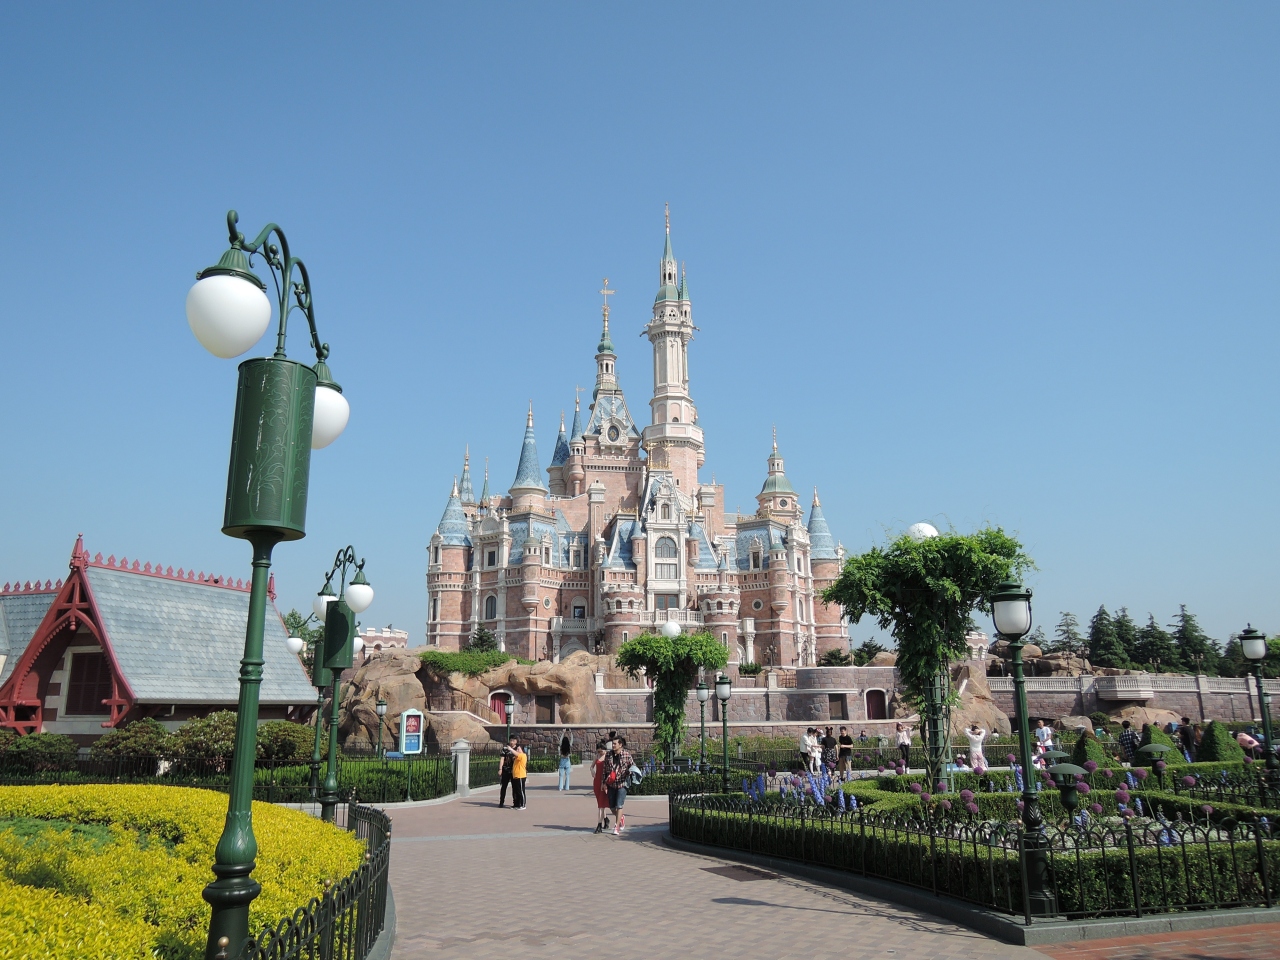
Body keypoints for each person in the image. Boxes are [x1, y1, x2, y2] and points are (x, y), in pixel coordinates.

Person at [603, 736, 635, 835]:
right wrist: (603, 783)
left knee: (619, 805)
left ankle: (616, 827)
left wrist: (629, 772)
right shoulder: (608, 755)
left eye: (614, 744)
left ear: (620, 745)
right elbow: (604, 769)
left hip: (622, 783)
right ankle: (621, 818)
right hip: (612, 784)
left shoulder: (626, 755)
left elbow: (633, 766)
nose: (613, 745)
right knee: (612, 807)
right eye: (612, 743)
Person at [591, 741, 610, 833]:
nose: (600, 753)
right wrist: (592, 770)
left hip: (604, 782)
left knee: (601, 805)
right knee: (600, 803)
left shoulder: (608, 757)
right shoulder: (597, 756)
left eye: (601, 751)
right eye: (598, 751)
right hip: (597, 781)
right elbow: (591, 766)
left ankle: (599, 824)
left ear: (604, 749)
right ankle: (605, 819)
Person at [509, 737, 528, 810]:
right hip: (516, 776)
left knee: (521, 791)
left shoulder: (523, 755)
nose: (517, 750)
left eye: (518, 749)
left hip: (521, 776)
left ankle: (523, 805)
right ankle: (517, 804)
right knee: (516, 791)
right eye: (517, 749)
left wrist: (511, 749)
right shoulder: (516, 757)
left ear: (522, 750)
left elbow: (516, 754)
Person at [497, 738, 516, 807]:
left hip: (514, 771)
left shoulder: (518, 749)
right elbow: (502, 759)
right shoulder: (505, 749)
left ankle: (515, 803)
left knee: (515, 787)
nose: (512, 742)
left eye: (513, 741)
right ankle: (501, 802)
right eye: (511, 740)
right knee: (504, 787)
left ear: (516, 741)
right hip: (506, 770)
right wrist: (500, 769)